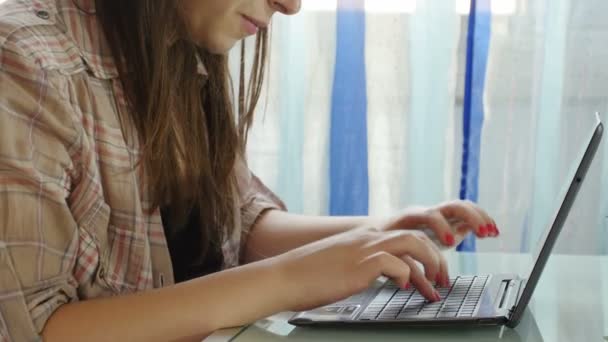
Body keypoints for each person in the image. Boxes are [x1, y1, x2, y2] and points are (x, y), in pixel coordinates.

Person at [0, 0, 500, 341]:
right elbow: (38, 328)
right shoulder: (24, 60)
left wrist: (375, 232)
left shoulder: (183, 40)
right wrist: (289, 280)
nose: (291, 4)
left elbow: (236, 224)